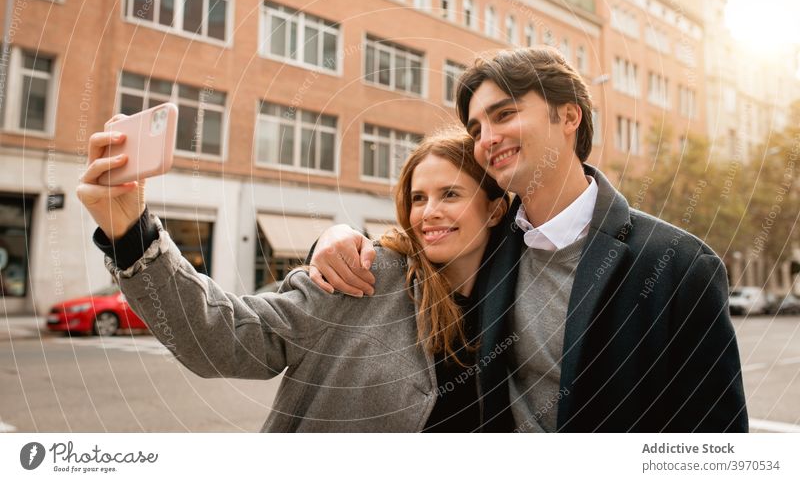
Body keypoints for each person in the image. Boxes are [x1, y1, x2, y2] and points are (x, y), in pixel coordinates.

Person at [307, 47, 749, 432]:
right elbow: (412, 248)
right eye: (477, 129)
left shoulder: (679, 265)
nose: (487, 139)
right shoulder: (489, 242)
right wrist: (333, 239)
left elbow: (714, 439)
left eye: (504, 114)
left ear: (569, 115)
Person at [77, 126, 507, 432]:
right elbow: (225, 339)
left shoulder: (519, 297)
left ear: (494, 209)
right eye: (418, 198)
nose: (428, 211)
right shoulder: (368, 273)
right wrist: (133, 236)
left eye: (450, 194)